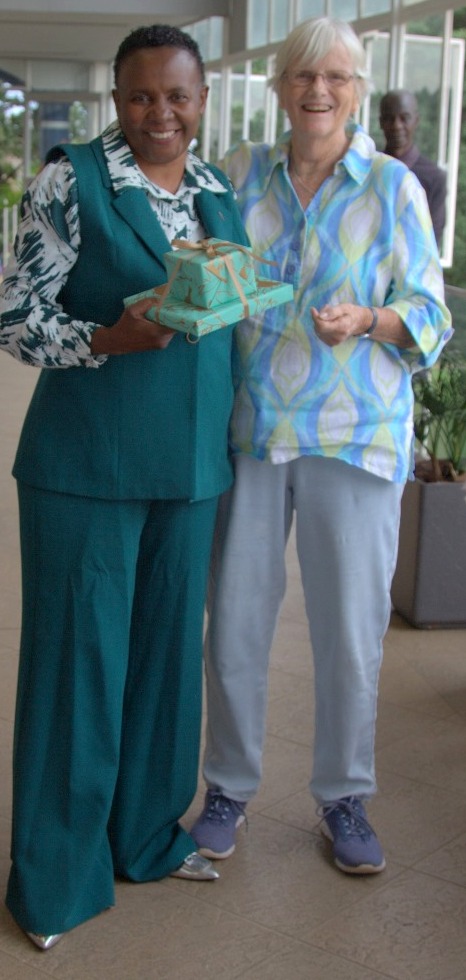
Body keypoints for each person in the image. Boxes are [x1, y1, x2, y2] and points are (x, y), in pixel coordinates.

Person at [0, 24, 249, 950]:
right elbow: (13, 316)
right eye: (142, 96)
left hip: (190, 468)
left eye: (178, 96)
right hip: (87, 467)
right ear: (116, 99)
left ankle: (145, 837)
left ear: (202, 101)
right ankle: (56, 879)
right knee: (79, 668)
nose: (160, 114)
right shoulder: (72, 181)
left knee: (165, 664)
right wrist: (108, 336)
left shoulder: (217, 188)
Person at [190, 17, 451, 876]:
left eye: (337, 76)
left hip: (355, 434)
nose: (319, 91)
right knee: (234, 622)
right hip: (254, 429)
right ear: (279, 86)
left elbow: (430, 313)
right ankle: (227, 787)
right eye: (304, 74)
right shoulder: (238, 175)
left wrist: (370, 319)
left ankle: (344, 796)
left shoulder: (393, 187)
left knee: (350, 630)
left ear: (357, 90)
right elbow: (209, 273)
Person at [380, 88, 447, 247]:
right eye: (389, 118)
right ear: (381, 122)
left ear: (416, 121)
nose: (397, 126)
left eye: (404, 118)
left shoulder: (433, 177)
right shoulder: (368, 170)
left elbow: (432, 241)